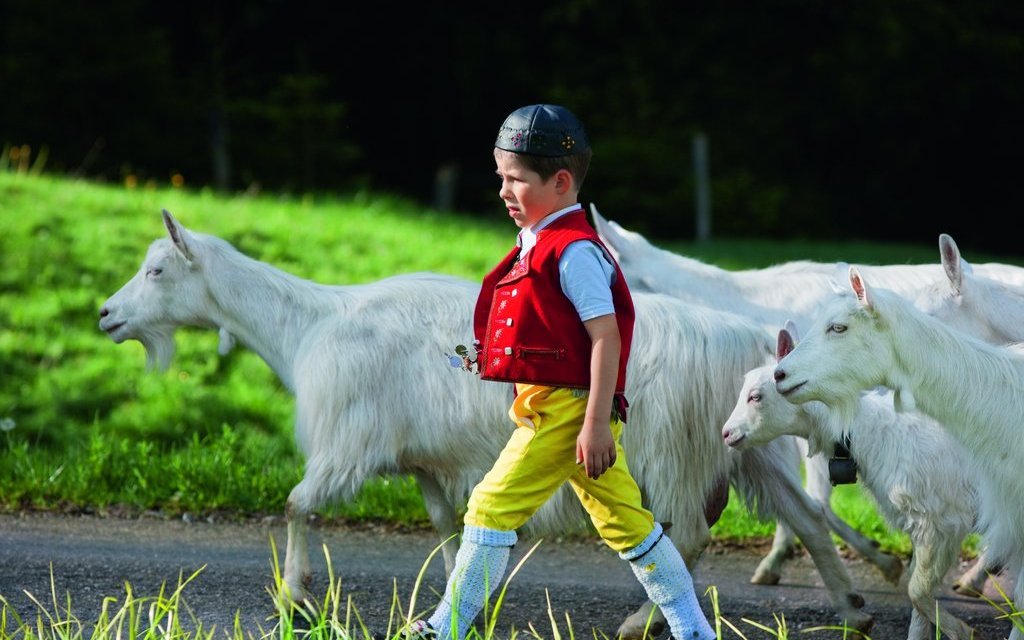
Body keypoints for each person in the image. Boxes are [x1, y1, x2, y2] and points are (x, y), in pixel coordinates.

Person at [411, 104, 716, 640]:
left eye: (516, 180)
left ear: (560, 181)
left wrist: (595, 423)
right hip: (554, 402)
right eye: (500, 177)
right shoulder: (540, 241)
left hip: (567, 409)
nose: (504, 191)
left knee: (488, 506)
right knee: (628, 523)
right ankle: (695, 632)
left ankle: (446, 627)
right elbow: (554, 328)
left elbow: (606, 337)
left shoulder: (574, 252)